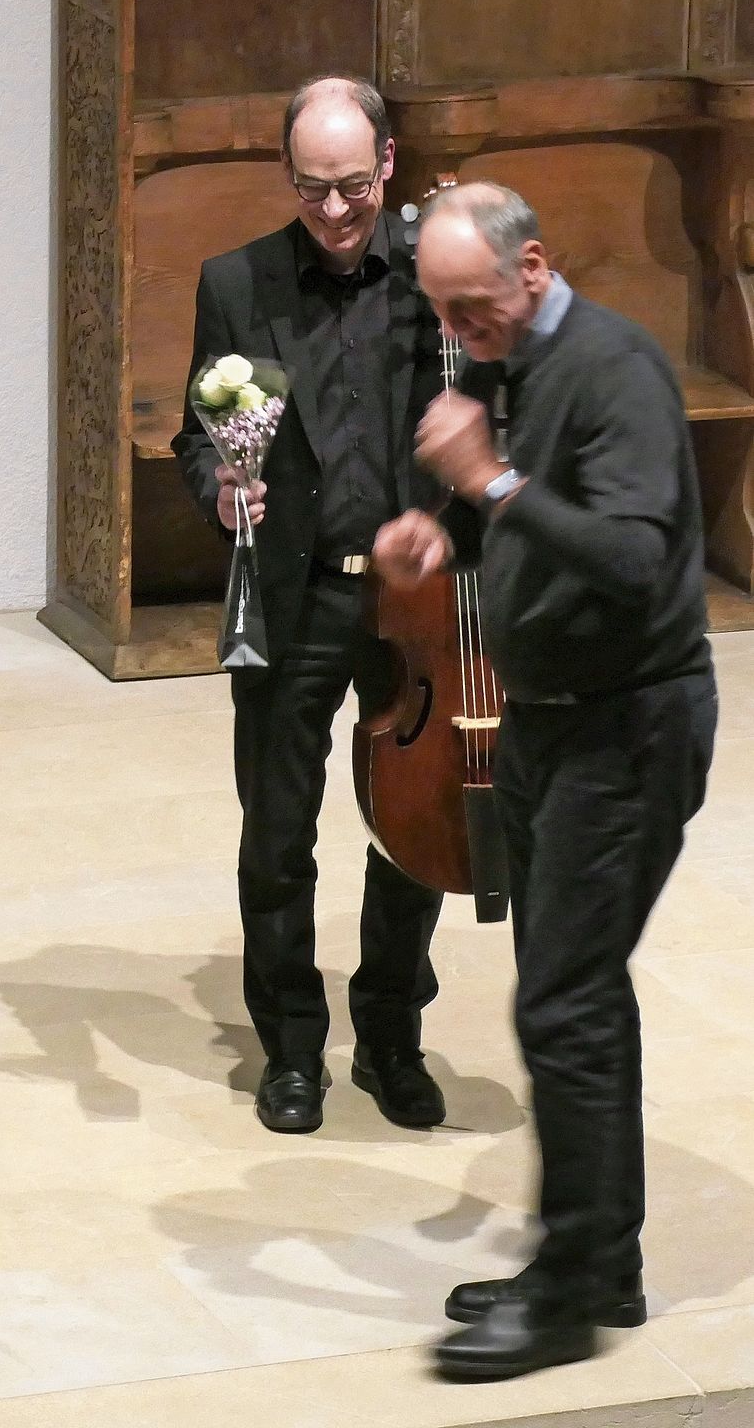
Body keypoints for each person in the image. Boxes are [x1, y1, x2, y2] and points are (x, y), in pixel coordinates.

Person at [374, 181, 717, 1379]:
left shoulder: (612, 368)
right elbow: (518, 518)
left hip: (626, 730)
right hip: (545, 723)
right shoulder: (507, 360)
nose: (457, 335)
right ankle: (599, 1260)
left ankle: (571, 1295)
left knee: (560, 1007)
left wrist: (487, 486)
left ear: (534, 265)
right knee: (571, 993)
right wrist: (448, 533)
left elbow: (632, 554)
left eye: (472, 308)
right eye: (441, 315)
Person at [171, 75, 449, 1134]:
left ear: (385, 164)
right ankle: (291, 1047)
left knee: (411, 825)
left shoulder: (436, 270)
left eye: (349, 187)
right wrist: (220, 488)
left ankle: (388, 1032)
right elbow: (198, 431)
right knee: (277, 833)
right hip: (290, 597)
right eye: (308, 189)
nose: (332, 211)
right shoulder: (234, 281)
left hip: (411, 603)